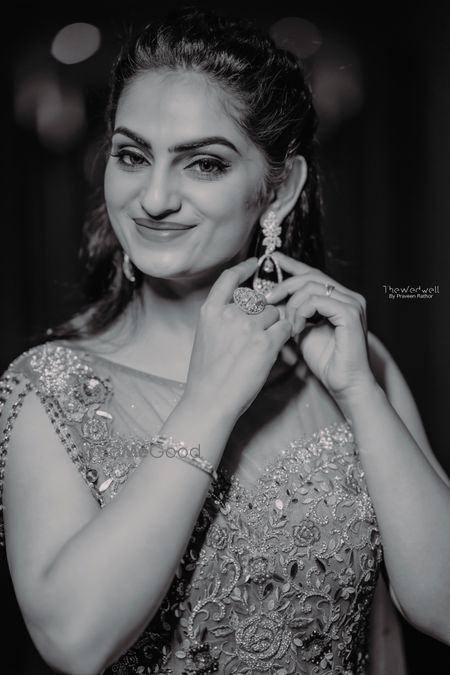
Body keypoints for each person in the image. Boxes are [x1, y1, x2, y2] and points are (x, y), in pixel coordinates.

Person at [1, 6, 449, 675]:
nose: (154, 197)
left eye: (203, 164)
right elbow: (74, 641)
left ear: (278, 190)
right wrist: (209, 401)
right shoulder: (48, 389)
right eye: (132, 156)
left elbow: (440, 605)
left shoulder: (358, 363)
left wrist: (360, 392)